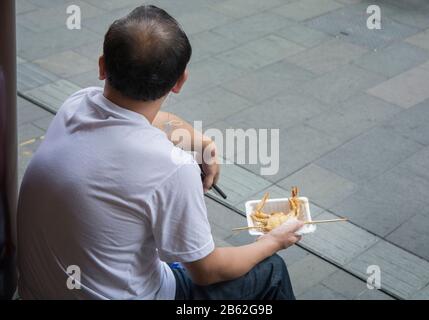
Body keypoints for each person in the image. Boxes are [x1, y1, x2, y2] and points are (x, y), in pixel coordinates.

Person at [17, 5, 303, 300]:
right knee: (271, 271)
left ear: (102, 66)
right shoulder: (173, 167)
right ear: (180, 82)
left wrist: (201, 143)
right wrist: (273, 240)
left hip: (36, 291)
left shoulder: (75, 105)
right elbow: (207, 271)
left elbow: (149, 120)